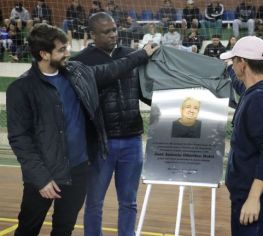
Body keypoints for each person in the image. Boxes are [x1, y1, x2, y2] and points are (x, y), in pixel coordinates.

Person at [6, 23, 157, 236]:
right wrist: (41, 178)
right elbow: (20, 139)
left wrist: (141, 55)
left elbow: (112, 69)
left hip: (77, 172)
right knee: (28, 229)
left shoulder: (76, 72)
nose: (68, 53)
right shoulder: (22, 89)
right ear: (44, 54)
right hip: (44, 176)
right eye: (61, 50)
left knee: (64, 229)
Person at [70, 12, 150, 236]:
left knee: (129, 202)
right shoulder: (80, 61)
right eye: (106, 32)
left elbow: (146, 93)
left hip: (133, 140)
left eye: (114, 29)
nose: (113, 34)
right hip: (100, 144)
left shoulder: (132, 54)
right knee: (94, 202)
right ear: (93, 35)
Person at [220, 36, 263, 236]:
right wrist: (225, 68)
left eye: (234, 62)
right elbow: (240, 84)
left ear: (242, 63)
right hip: (246, 193)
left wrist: (253, 198)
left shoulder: (259, 100)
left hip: (253, 197)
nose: (232, 66)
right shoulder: (256, 92)